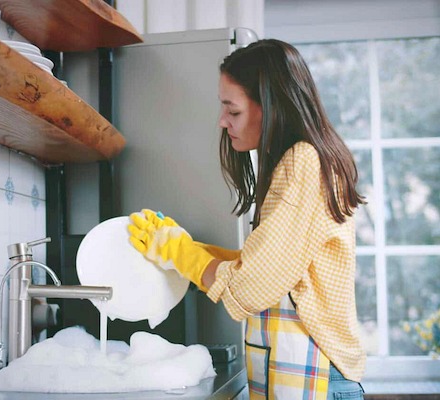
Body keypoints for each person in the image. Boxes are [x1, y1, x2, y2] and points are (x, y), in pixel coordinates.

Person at [127, 39, 367, 400]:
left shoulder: (304, 162)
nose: (222, 122)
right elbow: (273, 270)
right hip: (309, 375)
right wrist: (187, 248)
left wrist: (179, 252)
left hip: (319, 378)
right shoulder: (303, 160)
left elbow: (250, 286)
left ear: (272, 107)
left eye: (233, 110)